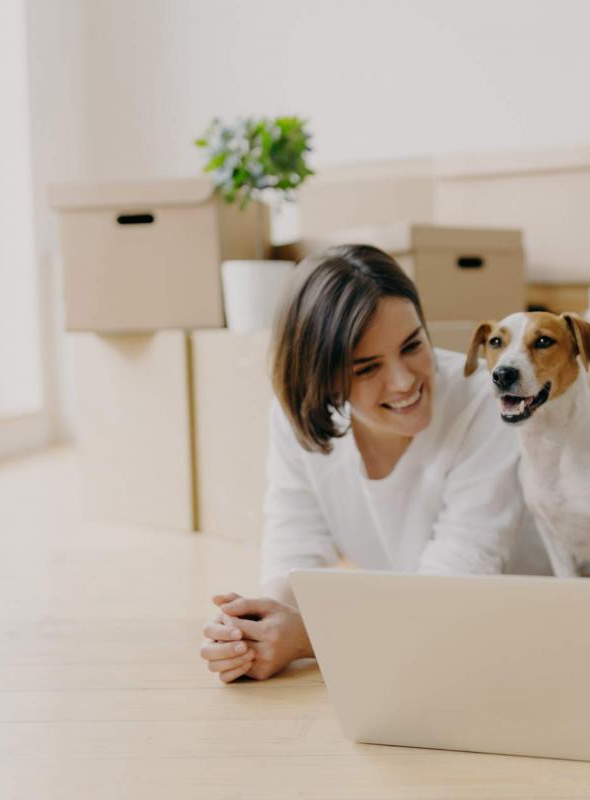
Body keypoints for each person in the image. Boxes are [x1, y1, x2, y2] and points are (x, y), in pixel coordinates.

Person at [199, 244, 546, 683]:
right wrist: (253, 628)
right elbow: (294, 543)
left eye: (412, 345)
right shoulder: (302, 416)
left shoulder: (485, 401)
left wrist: (308, 639)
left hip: (518, 633)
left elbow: (455, 584)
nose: (403, 381)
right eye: (366, 368)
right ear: (320, 378)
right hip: (418, 630)